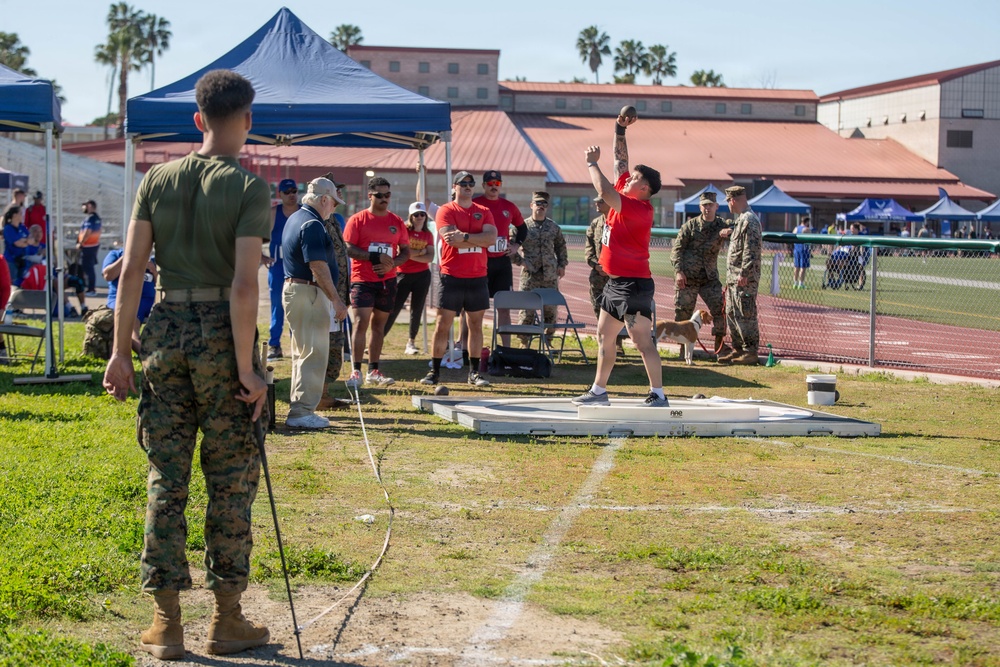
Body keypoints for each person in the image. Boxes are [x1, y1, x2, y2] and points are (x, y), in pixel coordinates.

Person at [102, 69, 274, 660]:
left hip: (167, 331)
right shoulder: (250, 190)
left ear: (198, 119)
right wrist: (248, 367)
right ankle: (227, 620)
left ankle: (165, 622)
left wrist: (120, 352)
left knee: (166, 478)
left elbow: (129, 272)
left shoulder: (157, 178)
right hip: (224, 339)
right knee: (230, 481)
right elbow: (244, 285)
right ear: (246, 121)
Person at [572, 111, 667, 407]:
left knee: (641, 342)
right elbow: (620, 161)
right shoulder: (628, 191)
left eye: (635, 179)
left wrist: (590, 163)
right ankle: (599, 391)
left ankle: (658, 394)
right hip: (615, 284)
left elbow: (602, 189)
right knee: (604, 336)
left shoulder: (639, 209)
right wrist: (619, 128)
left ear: (644, 190)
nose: (627, 179)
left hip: (634, 286)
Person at [282, 177, 349, 429]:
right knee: (313, 353)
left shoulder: (297, 218)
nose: (334, 208)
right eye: (333, 202)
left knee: (303, 352)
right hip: (308, 292)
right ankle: (301, 412)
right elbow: (318, 266)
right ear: (323, 199)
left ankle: (301, 407)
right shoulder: (312, 224)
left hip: (297, 290)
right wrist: (336, 300)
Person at [421, 171, 496, 388]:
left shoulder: (484, 211)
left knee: (475, 325)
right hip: (451, 276)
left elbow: (490, 238)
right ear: (454, 187)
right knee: (442, 324)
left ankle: (474, 373)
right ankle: (434, 372)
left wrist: (464, 237)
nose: (467, 186)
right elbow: (449, 240)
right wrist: (476, 240)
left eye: (471, 183)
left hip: (477, 276)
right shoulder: (446, 210)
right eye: (463, 183)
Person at [343, 176, 410, 388]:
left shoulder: (397, 221)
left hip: (387, 280)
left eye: (387, 195)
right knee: (361, 322)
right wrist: (374, 257)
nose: (384, 199)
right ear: (370, 196)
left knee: (379, 326)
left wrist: (392, 264)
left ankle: (374, 370)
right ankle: (356, 370)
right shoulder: (357, 220)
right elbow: (348, 248)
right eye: (379, 195)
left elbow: (406, 251)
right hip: (363, 279)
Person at [467, 169, 527, 353]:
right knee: (474, 308)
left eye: (497, 184)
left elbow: (522, 228)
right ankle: (466, 347)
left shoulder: (509, 206)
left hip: (502, 263)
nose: (494, 187)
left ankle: (505, 349)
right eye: (490, 184)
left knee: (504, 307)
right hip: (480, 262)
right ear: (484, 186)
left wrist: (516, 245)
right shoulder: (474, 204)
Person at [670, 190, 731, 359]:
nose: (707, 208)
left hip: (709, 278)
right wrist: (678, 272)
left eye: (710, 205)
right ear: (700, 207)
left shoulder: (721, 225)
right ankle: (684, 350)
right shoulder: (689, 226)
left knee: (720, 309)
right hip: (687, 278)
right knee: (683, 312)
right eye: (704, 205)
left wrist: (729, 230)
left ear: (716, 206)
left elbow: (736, 224)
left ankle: (719, 347)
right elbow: (677, 250)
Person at [510, 191, 567, 346]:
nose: (540, 206)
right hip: (530, 275)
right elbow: (510, 246)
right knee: (526, 310)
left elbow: (561, 246)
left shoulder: (553, 227)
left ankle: (548, 340)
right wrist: (520, 262)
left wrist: (562, 265)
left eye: (544, 204)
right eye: (537, 203)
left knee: (550, 310)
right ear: (531, 205)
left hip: (549, 275)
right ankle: (524, 341)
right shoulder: (522, 227)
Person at [718, 185, 763, 366]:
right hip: (733, 278)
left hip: (744, 278)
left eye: (728, 201)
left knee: (746, 313)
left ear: (733, 200)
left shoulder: (750, 220)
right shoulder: (741, 220)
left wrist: (744, 272)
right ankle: (738, 349)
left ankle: (750, 351)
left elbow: (751, 250)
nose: (728, 205)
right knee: (732, 313)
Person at [319, 173, 353, 410]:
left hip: (337, 294)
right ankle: (318, 396)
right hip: (325, 294)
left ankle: (324, 392)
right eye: (335, 189)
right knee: (322, 345)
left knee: (334, 346)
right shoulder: (317, 220)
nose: (339, 193)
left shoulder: (334, 219)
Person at [384, 201, 435, 355]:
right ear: (411, 217)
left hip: (422, 275)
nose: (419, 217)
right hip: (403, 274)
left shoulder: (428, 234)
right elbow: (402, 252)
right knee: (393, 308)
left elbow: (430, 257)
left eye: (422, 214)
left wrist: (412, 254)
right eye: (416, 215)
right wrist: (420, 252)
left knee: (417, 309)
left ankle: (411, 342)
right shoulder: (404, 230)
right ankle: (379, 339)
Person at [265, 178, 299, 361]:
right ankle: (274, 345)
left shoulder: (304, 212)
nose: (291, 195)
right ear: (280, 195)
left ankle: (297, 343)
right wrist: (261, 256)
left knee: (298, 306)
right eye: (287, 192)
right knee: (277, 307)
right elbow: (256, 235)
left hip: (298, 268)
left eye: (294, 191)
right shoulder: (273, 213)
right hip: (278, 266)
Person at [584, 197, 610, 321]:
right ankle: (603, 340)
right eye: (596, 201)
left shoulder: (620, 222)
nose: (597, 204)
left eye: (601, 201)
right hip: (598, 278)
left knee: (617, 315)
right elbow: (589, 250)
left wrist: (611, 268)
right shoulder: (595, 224)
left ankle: (617, 341)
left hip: (615, 278)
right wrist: (596, 266)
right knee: (599, 312)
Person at [76, 199, 102, 296]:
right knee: (88, 267)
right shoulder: (96, 217)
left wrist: (81, 243)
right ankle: (90, 288)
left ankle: (91, 289)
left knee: (88, 268)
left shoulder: (90, 218)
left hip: (88, 246)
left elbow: (88, 231)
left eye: (85, 205)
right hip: (93, 246)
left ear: (90, 206)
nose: (84, 208)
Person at [2, 205, 29, 284]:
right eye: (20, 213)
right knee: (12, 283)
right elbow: (17, 243)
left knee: (21, 283)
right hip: (11, 261)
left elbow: (31, 240)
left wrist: (24, 241)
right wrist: (25, 242)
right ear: (15, 215)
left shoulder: (22, 227)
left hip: (22, 260)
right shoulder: (8, 228)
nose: (22, 215)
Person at [792, 215, 812, 289]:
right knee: (802, 267)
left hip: (796, 249)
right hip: (803, 249)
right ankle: (801, 283)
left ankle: (795, 283)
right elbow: (811, 237)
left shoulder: (796, 228)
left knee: (796, 266)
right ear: (807, 222)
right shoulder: (806, 229)